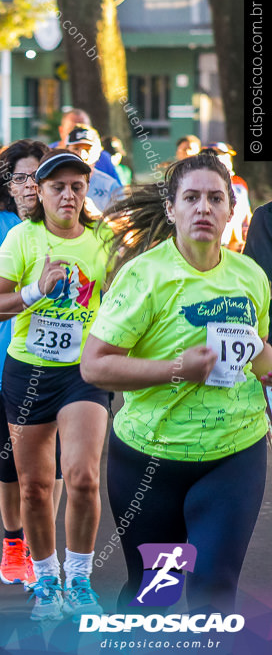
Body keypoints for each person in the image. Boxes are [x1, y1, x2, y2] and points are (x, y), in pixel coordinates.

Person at [81, 151, 272, 614]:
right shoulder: (144, 277)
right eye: (191, 198)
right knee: (155, 594)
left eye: (215, 198)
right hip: (151, 459)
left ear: (231, 210)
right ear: (172, 209)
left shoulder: (250, 277)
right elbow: (95, 366)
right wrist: (176, 369)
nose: (203, 208)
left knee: (213, 588)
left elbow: (260, 354)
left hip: (234, 454)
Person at [0, 148, 111, 621]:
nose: (69, 195)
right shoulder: (22, 237)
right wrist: (35, 291)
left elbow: (120, 303)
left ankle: (79, 578)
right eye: (59, 187)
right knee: (35, 488)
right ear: (41, 192)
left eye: (78, 186)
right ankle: (47, 578)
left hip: (82, 375)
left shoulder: (103, 242)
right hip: (28, 373)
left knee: (82, 476)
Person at [0, 140, 64, 587]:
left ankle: (45, 549)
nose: (28, 185)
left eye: (36, 176)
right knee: (13, 458)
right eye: (19, 177)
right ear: (8, 183)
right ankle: (13, 542)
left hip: (58, 358)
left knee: (55, 460)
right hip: (0, 359)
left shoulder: (69, 226)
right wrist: (28, 281)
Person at [51, 108, 121, 182]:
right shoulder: (47, 154)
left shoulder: (103, 157)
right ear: (61, 131)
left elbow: (118, 190)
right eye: (73, 129)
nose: (79, 133)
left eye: (84, 129)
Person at [65, 125, 123, 214]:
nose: (81, 154)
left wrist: (98, 215)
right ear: (66, 150)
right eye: (76, 148)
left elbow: (124, 221)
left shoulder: (110, 186)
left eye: (88, 149)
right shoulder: (54, 181)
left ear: (99, 151)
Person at [205, 143, 251, 252]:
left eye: (228, 159)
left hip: (234, 247)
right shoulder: (201, 188)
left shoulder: (240, 186)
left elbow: (246, 216)